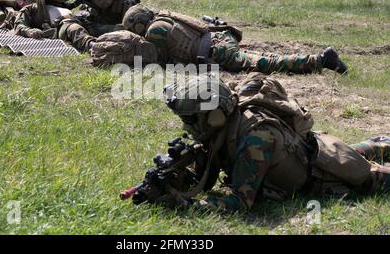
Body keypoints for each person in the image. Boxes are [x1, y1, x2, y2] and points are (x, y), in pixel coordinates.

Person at [160, 73, 390, 212]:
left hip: (321, 172)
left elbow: (240, 202)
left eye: (190, 118)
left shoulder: (256, 138)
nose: (185, 125)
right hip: (310, 147)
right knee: (354, 150)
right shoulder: (225, 126)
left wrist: (189, 205)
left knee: (370, 176)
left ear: (215, 115)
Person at [122, 4, 348, 75]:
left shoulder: (155, 30)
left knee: (264, 64)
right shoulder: (164, 17)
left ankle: (320, 60)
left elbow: (161, 61)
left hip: (218, 51)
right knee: (261, 58)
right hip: (220, 37)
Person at [13, 0, 122, 52]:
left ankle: (127, 32)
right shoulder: (27, 10)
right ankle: (94, 47)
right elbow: (19, 26)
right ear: (21, 2)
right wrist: (31, 32)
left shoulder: (47, 2)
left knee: (106, 28)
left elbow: (69, 4)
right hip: (62, 25)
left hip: (78, 18)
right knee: (75, 30)